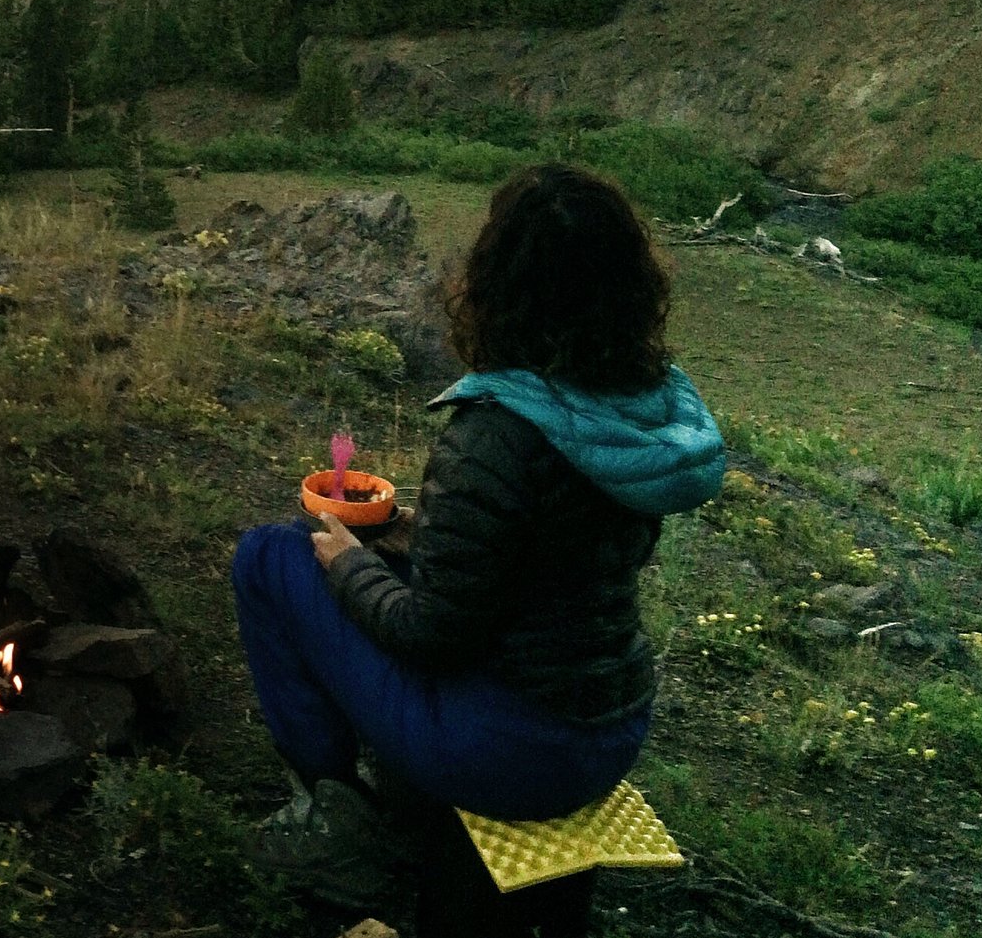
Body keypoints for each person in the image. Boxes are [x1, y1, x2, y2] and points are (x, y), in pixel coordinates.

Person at [230, 163, 725, 900]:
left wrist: (345, 561)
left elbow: (432, 635)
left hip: (510, 753)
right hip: (611, 732)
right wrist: (427, 534)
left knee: (269, 557)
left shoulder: (495, 433)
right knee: (357, 567)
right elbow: (551, 561)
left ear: (500, 284)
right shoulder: (639, 412)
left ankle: (337, 819)